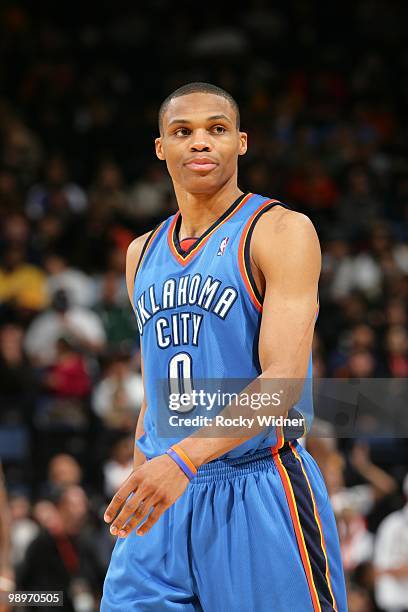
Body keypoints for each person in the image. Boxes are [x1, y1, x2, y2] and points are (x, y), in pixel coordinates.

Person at [101, 82, 347, 611]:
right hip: (165, 494)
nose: (200, 143)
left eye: (215, 130)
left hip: (256, 490)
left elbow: (281, 384)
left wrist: (181, 462)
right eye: (182, 132)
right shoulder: (141, 253)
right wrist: (144, 463)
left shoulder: (280, 231)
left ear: (241, 142)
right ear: (160, 147)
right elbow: (157, 382)